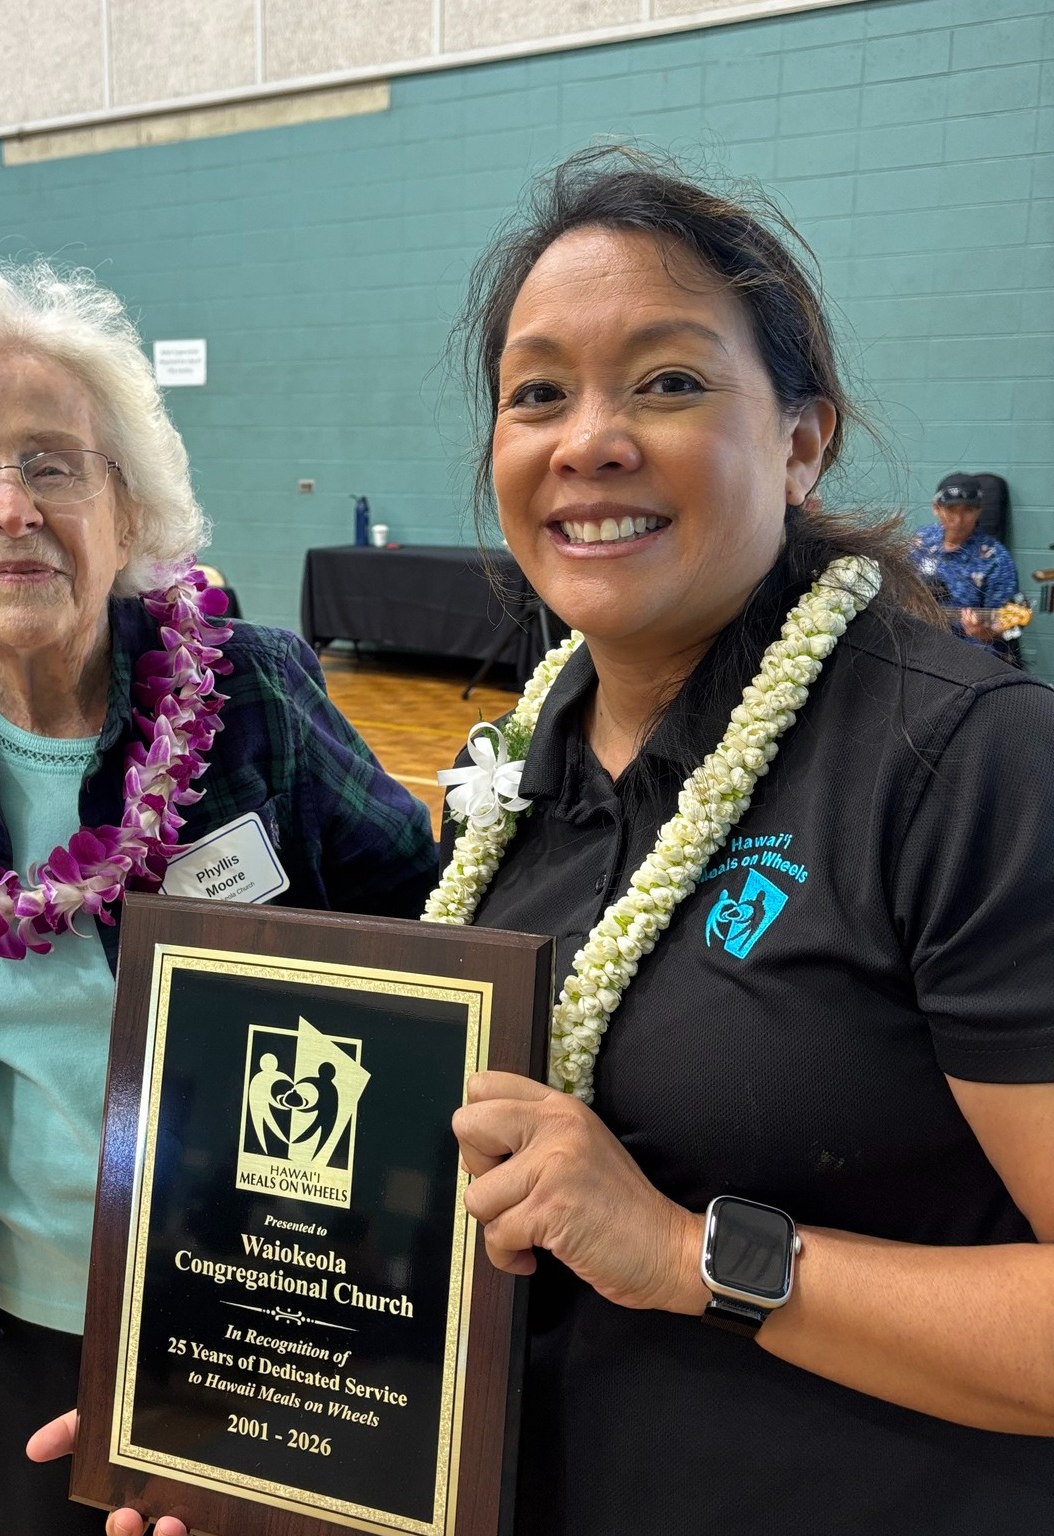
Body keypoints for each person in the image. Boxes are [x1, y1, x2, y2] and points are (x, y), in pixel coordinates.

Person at [415, 150, 1052, 1532]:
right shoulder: (509, 768)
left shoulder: (966, 763)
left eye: (669, 381)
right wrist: (223, 1412)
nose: (587, 439)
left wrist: (688, 1253)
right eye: (537, 394)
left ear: (803, 439)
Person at [0, 260, 438, 1536]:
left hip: (243, 1305)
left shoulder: (255, 693)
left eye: (54, 465)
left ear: (127, 505)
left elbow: (425, 925)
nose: (10, 507)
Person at [909, 471, 1020, 653]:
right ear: (936, 508)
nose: (959, 520)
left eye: (968, 510)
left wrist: (986, 633)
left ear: (979, 510)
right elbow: (898, 588)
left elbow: (1008, 629)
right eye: (951, 510)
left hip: (967, 653)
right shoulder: (920, 541)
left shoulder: (996, 558)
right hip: (917, 640)